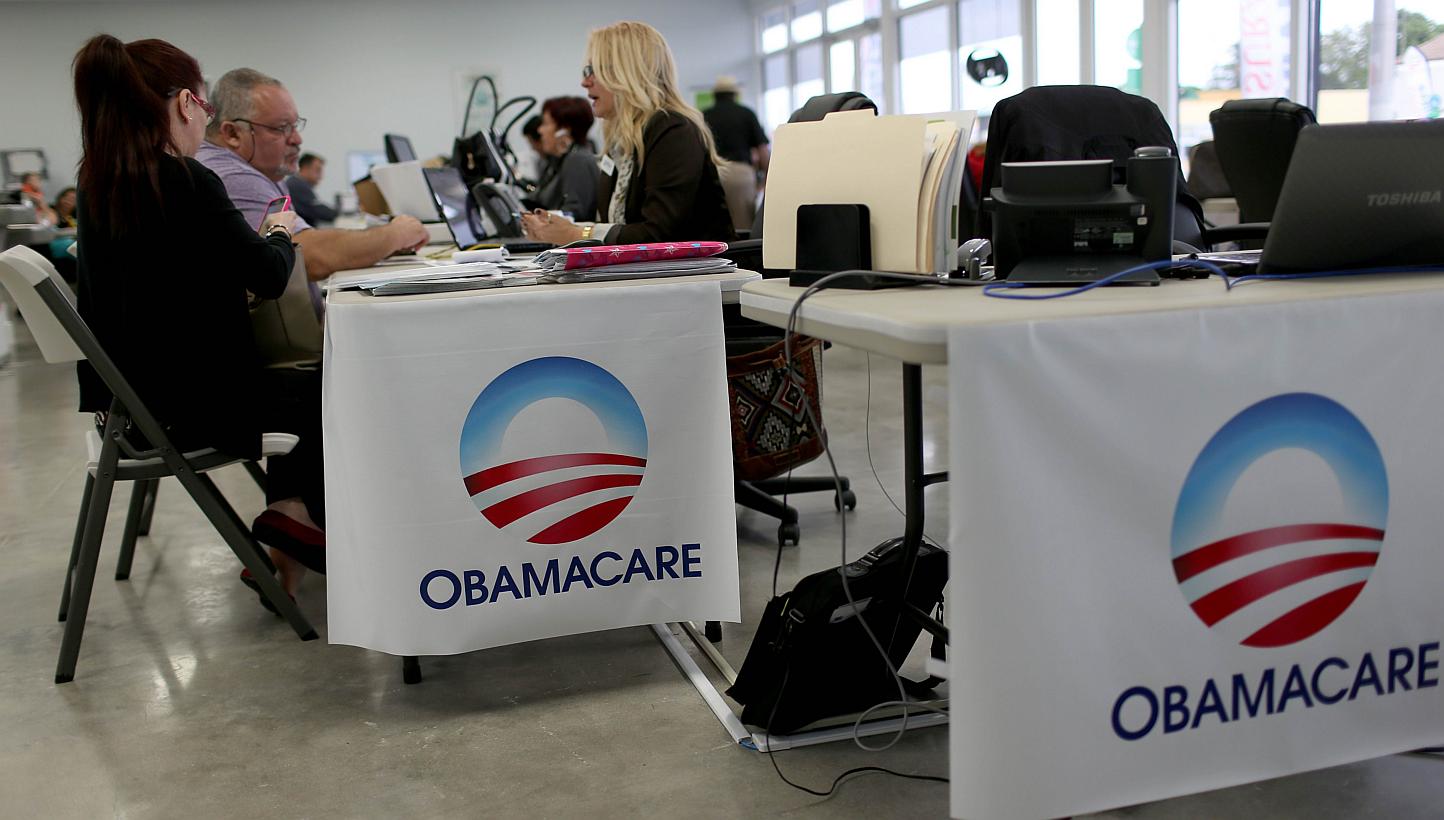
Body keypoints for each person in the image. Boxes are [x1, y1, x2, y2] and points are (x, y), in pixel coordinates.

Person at [71, 34, 324, 603]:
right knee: (322, 379)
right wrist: (279, 230)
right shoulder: (186, 179)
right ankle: (298, 517)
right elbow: (268, 273)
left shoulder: (97, 184)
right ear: (186, 103)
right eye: (204, 106)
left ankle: (291, 520)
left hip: (131, 411)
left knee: (299, 382)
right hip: (192, 411)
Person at [199, 68, 429, 281]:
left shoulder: (262, 171)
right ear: (232, 133)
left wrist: (377, 246)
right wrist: (396, 234)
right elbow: (307, 257)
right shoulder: (231, 175)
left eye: (295, 126)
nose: (297, 139)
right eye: (281, 128)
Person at [521, 21, 734, 246]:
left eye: (594, 70)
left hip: (691, 267)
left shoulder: (673, 130)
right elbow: (614, 226)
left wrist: (577, 233)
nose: (585, 82)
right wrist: (563, 231)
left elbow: (658, 235)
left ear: (627, 73)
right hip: (641, 267)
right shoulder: (620, 141)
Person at [703, 76, 770, 231]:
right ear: (735, 94)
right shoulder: (746, 114)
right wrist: (767, 178)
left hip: (713, 173)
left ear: (715, 95)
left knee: (714, 227)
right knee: (742, 228)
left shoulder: (705, 115)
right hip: (741, 174)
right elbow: (762, 150)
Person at [531, 96, 600, 219]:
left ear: (564, 131)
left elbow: (575, 214)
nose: (540, 130)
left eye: (546, 124)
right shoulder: (558, 161)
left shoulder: (578, 161)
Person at [285, 153, 337, 226]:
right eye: (318, 170)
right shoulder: (297, 185)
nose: (321, 176)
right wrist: (339, 213)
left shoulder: (295, 182)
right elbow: (319, 211)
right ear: (305, 168)